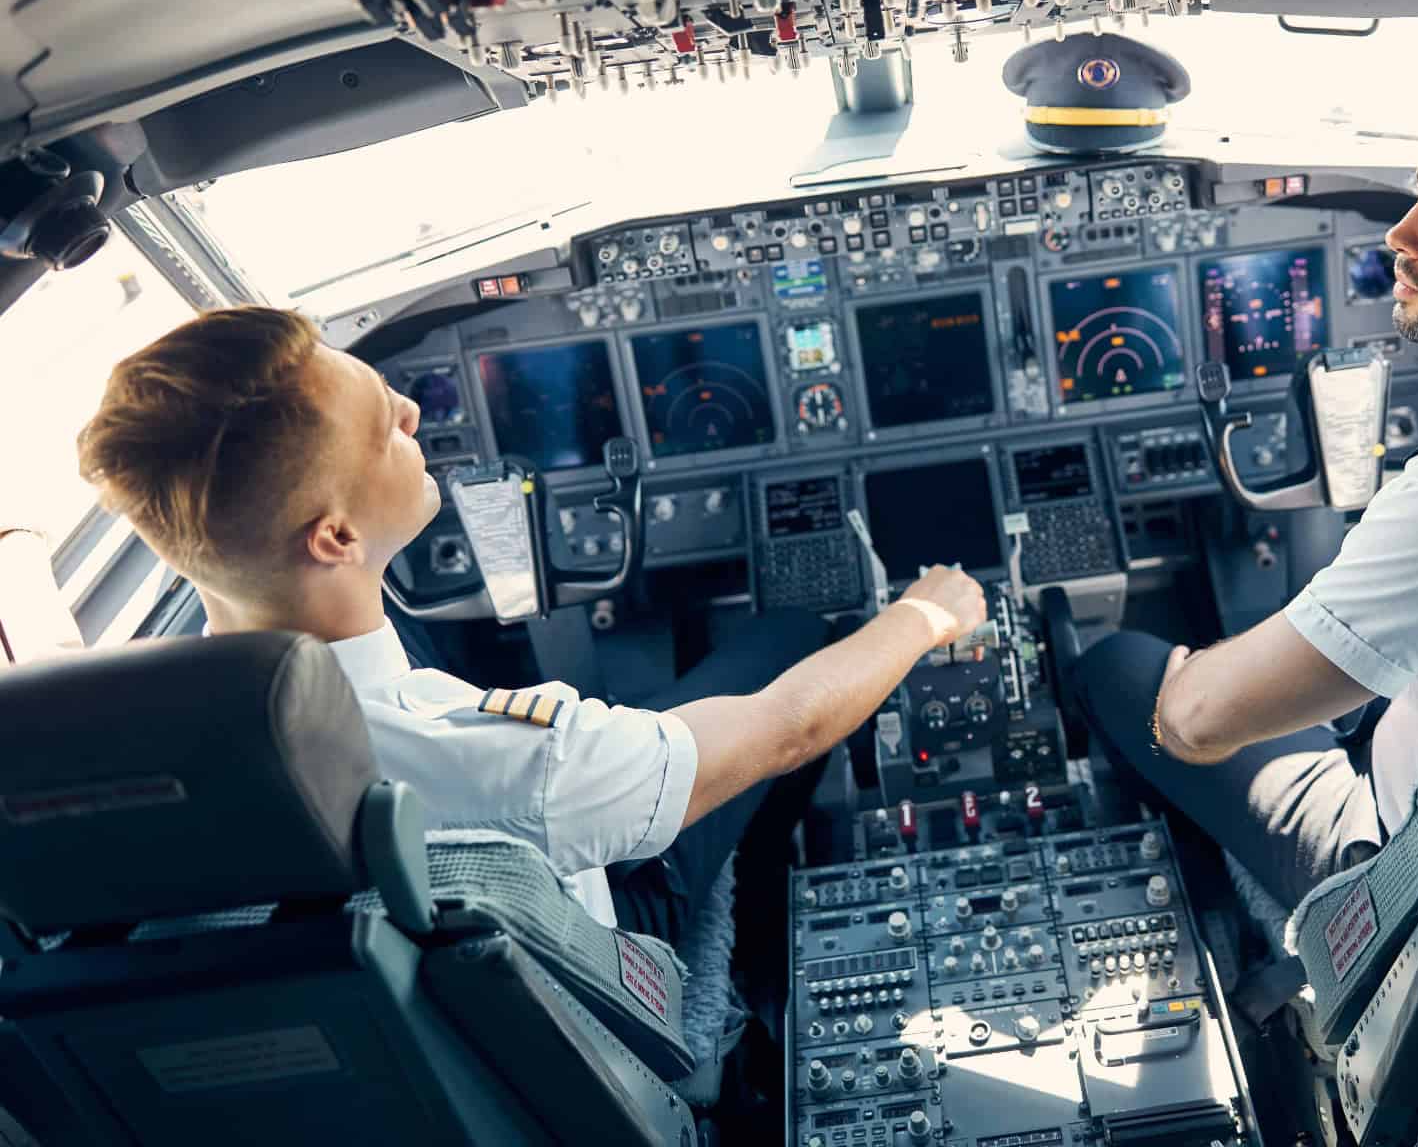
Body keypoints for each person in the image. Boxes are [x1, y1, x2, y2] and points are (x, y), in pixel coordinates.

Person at [75, 307, 987, 936]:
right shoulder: (516, 762)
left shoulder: (123, 758)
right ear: (335, 536)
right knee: (791, 638)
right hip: (604, 940)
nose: (411, 407)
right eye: (383, 426)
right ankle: (753, 934)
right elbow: (792, 728)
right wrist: (921, 613)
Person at [1073, 67, 1418, 908]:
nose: (1399, 236)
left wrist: (1204, 674)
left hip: (1417, 881)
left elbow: (1196, 725)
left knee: (1123, 670)